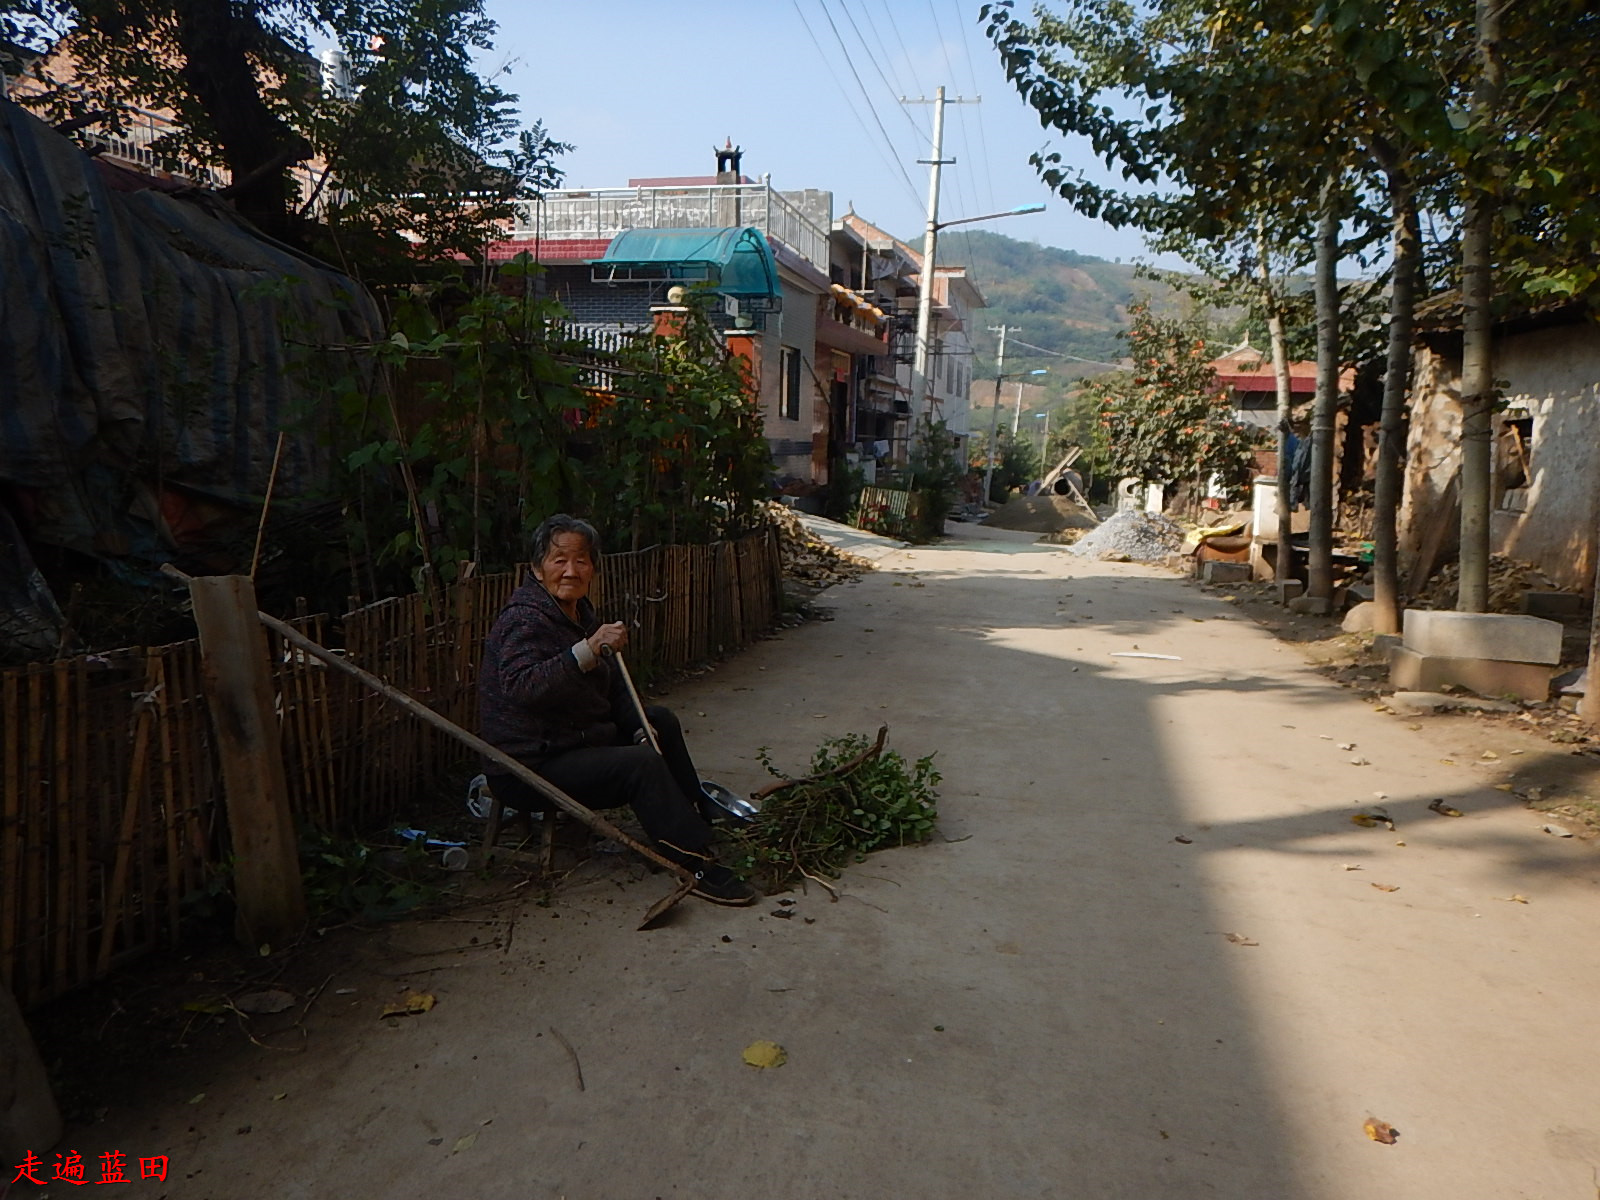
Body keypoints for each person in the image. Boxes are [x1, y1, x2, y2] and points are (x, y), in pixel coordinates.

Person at [476, 514, 758, 906]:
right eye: (559, 560)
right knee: (638, 765)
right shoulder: (525, 619)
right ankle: (693, 861)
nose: (571, 571)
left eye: (581, 561)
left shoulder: (577, 612)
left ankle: (696, 816)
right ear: (537, 569)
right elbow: (524, 689)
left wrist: (637, 724)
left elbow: (613, 685)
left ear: (592, 568)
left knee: (659, 719)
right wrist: (587, 651)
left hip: (573, 741)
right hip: (529, 765)